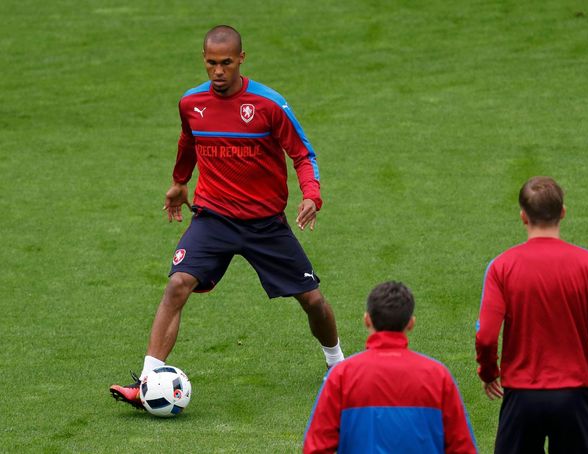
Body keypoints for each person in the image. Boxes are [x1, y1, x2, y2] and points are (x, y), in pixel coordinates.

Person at [110, 25, 344, 408]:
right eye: (211, 64)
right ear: (204, 60)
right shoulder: (191, 103)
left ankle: (337, 365)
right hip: (212, 218)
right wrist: (179, 182)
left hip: (265, 224)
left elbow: (303, 154)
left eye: (226, 63)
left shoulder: (269, 105)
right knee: (177, 284)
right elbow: (188, 142)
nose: (218, 72)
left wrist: (312, 195)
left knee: (313, 300)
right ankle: (149, 380)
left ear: (241, 59)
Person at [475, 176, 588, 454]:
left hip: (521, 399)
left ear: (523, 216)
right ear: (563, 212)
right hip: (575, 398)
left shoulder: (501, 267)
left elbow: (486, 336)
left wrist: (488, 372)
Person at [304, 281, 478, 454]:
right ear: (411, 323)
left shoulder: (341, 375)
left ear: (367, 320)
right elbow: (462, 448)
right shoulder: (438, 376)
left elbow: (316, 448)